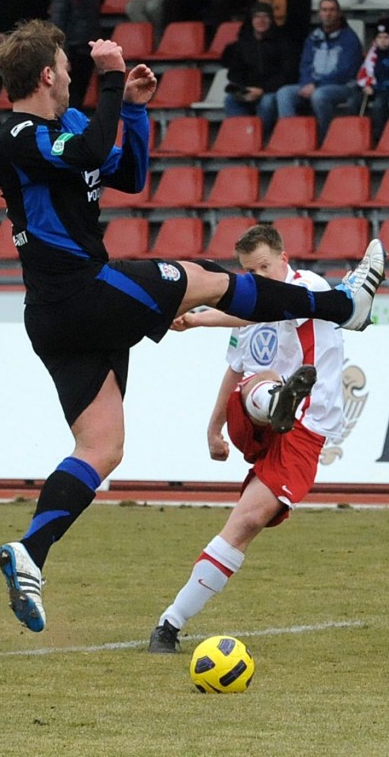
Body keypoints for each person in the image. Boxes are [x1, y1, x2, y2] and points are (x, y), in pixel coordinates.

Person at [0, 18, 385, 634]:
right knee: (207, 277)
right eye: (66, 69)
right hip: (79, 293)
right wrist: (111, 77)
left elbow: (126, 174)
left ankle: (30, 553)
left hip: (59, 316)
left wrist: (134, 109)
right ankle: (342, 306)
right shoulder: (16, 135)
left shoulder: (69, 126)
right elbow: (90, 151)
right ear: (47, 75)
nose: (71, 78)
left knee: (102, 448)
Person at [148, 223, 344, 652]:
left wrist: (201, 318)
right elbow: (235, 368)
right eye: (251, 272)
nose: (259, 277)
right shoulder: (250, 310)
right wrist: (213, 427)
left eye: (264, 268)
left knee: (246, 522)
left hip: (306, 429)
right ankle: (276, 402)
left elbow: (268, 309)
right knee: (258, 378)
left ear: (284, 260)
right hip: (255, 418)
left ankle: (168, 625)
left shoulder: (308, 287)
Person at [276, 0, 363, 143]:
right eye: (324, 10)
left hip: (343, 87)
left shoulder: (350, 39)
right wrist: (307, 83)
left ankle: (326, 139)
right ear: (319, 14)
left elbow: (345, 72)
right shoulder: (313, 37)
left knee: (319, 95)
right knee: (284, 93)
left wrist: (315, 85)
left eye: (332, 10)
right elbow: (305, 65)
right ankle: (291, 140)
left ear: (339, 13)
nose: (328, 14)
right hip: (314, 84)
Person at [221, 1, 300, 139]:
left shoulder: (284, 43)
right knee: (230, 100)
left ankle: (258, 138)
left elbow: (289, 74)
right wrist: (244, 89)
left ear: (271, 19)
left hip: (271, 90)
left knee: (267, 102)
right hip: (249, 90)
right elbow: (234, 72)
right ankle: (242, 138)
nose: (261, 20)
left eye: (265, 16)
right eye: (257, 16)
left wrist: (262, 89)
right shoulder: (242, 44)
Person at [50, 0, 101, 110]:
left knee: (81, 91)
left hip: (87, 49)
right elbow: (57, 26)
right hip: (71, 50)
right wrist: (63, 54)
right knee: (71, 95)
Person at [349, 17, 389, 144]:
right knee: (353, 101)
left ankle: (377, 138)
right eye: (379, 37)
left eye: (386, 37)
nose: (382, 41)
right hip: (371, 88)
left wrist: (375, 88)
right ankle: (354, 136)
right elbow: (365, 74)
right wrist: (366, 86)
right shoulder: (372, 55)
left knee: (379, 105)